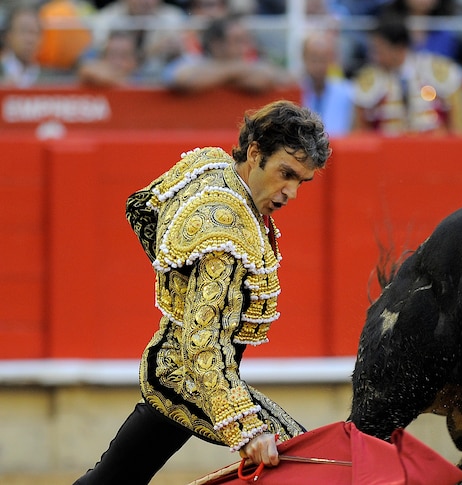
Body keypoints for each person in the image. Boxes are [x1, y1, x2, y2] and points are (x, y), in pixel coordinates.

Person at [74, 100, 332, 485]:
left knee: (115, 478)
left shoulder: (211, 165)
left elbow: (141, 208)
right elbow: (204, 343)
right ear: (255, 152)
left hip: (177, 367)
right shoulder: (225, 229)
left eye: (301, 181)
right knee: (302, 460)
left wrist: (180, 275)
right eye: (286, 174)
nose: (291, 192)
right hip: (193, 377)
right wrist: (247, 429)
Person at [352, 13, 462, 135]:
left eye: (379, 50)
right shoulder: (369, 78)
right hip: (389, 151)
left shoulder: (436, 70)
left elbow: (458, 125)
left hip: (434, 149)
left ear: (399, 48)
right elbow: (361, 132)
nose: (374, 57)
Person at [164, 14, 287, 93]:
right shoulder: (191, 61)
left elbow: (263, 80)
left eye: (246, 40)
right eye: (237, 41)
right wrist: (235, 70)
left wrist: (216, 75)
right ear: (216, 45)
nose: (245, 47)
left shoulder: (252, 63)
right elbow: (183, 81)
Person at [299, 30, 354, 137]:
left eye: (323, 59)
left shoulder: (348, 92)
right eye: (314, 59)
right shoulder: (295, 90)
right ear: (304, 58)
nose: (319, 65)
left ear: (331, 60)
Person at [76, 30, 148, 86]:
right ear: (103, 57)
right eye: (112, 54)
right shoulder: (93, 74)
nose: (117, 62)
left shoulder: (145, 81)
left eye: (123, 56)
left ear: (134, 60)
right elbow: (86, 70)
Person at [1, 4, 47, 86]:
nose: (29, 39)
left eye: (34, 32)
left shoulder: (50, 78)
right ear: (8, 36)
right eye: (23, 31)